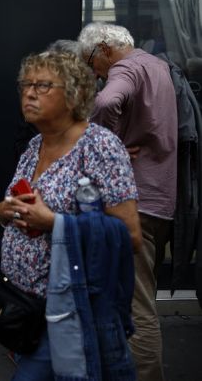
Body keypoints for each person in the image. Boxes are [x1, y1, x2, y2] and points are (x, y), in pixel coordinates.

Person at [0, 51, 142, 379]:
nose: (29, 93)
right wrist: (4, 211)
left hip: (70, 308)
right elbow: (18, 202)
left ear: (75, 94)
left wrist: (54, 223)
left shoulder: (101, 147)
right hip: (25, 308)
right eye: (26, 85)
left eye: (43, 85)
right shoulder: (35, 145)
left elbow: (129, 235)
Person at [78, 22, 177, 381]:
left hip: (135, 199)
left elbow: (106, 101)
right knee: (135, 297)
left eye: (91, 61)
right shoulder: (157, 65)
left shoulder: (125, 68)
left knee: (138, 305)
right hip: (160, 195)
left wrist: (109, 144)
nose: (93, 71)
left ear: (104, 49)